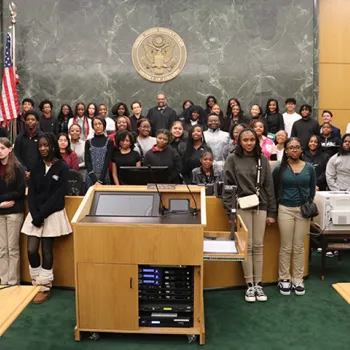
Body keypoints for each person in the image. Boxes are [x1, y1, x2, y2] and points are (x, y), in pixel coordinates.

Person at [223, 128, 276, 302]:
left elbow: (269, 187)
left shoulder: (262, 159)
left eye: (252, 140)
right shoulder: (233, 159)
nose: (249, 143)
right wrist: (229, 211)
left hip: (261, 206)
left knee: (258, 245)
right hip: (241, 206)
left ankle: (258, 284)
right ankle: (249, 285)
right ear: (239, 141)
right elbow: (227, 186)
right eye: (245, 140)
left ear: (257, 141)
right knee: (246, 246)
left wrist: (271, 211)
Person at [21, 132, 71, 304]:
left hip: (52, 213)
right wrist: (35, 215)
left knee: (47, 250)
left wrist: (42, 215)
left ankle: (44, 287)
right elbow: (32, 192)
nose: (42, 148)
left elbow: (58, 196)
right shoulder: (35, 166)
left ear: (52, 146)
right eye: (40, 145)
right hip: (36, 215)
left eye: (45, 145)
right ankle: (35, 281)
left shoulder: (62, 167)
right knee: (31, 250)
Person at [273, 137, 316, 296]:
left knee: (299, 246)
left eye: (297, 147)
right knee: (286, 246)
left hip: (303, 210)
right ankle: (284, 278)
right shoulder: (280, 169)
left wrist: (306, 202)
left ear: (301, 150)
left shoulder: (309, 168)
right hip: (285, 209)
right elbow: (275, 188)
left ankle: (298, 278)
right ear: (286, 151)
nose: (294, 150)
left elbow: (312, 190)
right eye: (291, 147)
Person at [0, 137, 26, 286]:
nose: (0, 151)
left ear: (10, 150)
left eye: (3, 148)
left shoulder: (18, 168)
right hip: (0, 211)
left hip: (14, 212)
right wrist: (1, 203)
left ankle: (13, 281)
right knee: (2, 248)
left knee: (12, 248)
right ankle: (3, 280)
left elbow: (20, 192)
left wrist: (3, 201)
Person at [85, 117, 114, 188]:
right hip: (91, 176)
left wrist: (101, 179)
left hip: (104, 176)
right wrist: (94, 178)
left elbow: (107, 161)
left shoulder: (109, 141)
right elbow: (87, 160)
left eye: (100, 124)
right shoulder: (88, 142)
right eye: (95, 124)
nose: (98, 126)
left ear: (104, 125)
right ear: (92, 127)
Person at [14, 110, 41, 181]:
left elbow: (43, 156)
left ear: (37, 122)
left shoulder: (43, 137)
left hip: (39, 173)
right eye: (28, 119)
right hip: (22, 174)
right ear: (25, 121)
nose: (30, 121)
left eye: (33, 119)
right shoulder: (19, 138)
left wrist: (33, 171)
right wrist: (24, 170)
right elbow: (16, 156)